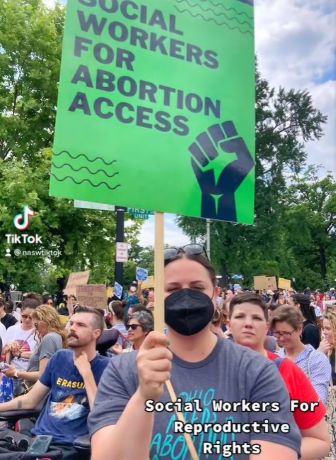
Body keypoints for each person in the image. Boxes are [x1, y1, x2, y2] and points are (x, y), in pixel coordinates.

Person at [89, 245, 301, 459]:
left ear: (215, 293)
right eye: (173, 289)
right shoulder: (122, 370)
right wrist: (143, 397)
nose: (186, 297)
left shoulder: (256, 371)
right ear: (157, 297)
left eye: (197, 288)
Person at [228, 292, 330, 460]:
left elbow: (320, 440)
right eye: (239, 316)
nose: (247, 323)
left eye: (256, 318)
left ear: (266, 326)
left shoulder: (287, 370)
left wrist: (275, 454)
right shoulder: (212, 369)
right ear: (229, 324)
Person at [0, 306, 109, 460]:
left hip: (69, 446)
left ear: (96, 333)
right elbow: (30, 401)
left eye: (80, 325)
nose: (72, 328)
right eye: (71, 323)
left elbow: (102, 414)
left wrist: (87, 374)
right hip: (39, 442)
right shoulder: (60, 358)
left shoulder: (107, 367)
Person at [271, 305, 331, 405]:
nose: (281, 338)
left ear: (299, 329)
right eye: (277, 333)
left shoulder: (317, 359)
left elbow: (318, 403)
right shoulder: (275, 359)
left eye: (286, 333)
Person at [2, 304, 66, 388]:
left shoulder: (49, 338)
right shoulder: (56, 336)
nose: (35, 329)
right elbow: (40, 356)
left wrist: (16, 372)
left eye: (36, 325)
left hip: (37, 389)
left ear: (45, 321)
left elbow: (42, 375)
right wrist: (19, 354)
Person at [319, 309, 336, 459]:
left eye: (328, 328)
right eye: (323, 328)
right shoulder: (326, 351)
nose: (324, 332)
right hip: (331, 412)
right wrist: (320, 354)